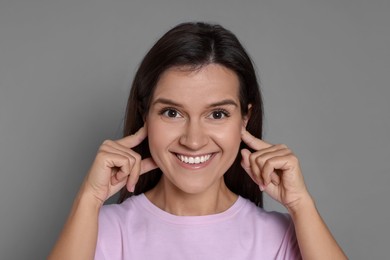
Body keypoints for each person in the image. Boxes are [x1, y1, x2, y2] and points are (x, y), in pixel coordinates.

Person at [49, 22, 347, 259]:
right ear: (145, 116)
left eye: (217, 114)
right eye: (171, 112)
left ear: (244, 119)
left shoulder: (280, 237)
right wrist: (87, 200)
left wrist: (301, 204)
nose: (193, 140)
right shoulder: (102, 231)